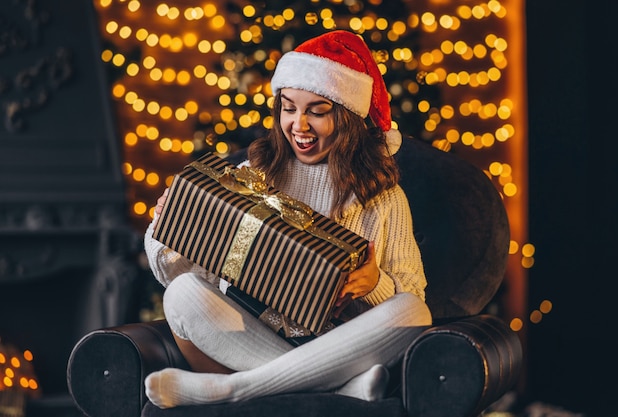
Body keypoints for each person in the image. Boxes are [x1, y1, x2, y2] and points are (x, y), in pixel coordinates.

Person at [143, 30, 431, 408]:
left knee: (415, 312)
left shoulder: (383, 198)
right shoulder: (253, 174)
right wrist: (173, 222)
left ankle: (236, 388)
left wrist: (374, 283)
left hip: (340, 343)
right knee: (181, 293)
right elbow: (183, 270)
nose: (299, 125)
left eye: (317, 111)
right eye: (289, 108)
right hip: (252, 334)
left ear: (347, 119)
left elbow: (413, 296)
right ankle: (340, 391)